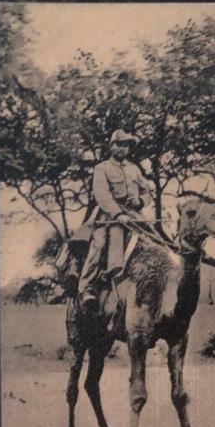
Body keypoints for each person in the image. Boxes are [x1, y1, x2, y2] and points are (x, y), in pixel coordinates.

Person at [78, 129, 151, 310]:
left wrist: (140, 201)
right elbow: (102, 195)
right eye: (119, 144)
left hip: (135, 217)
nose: (122, 149)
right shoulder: (102, 168)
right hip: (108, 217)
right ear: (111, 146)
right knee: (99, 245)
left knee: (156, 243)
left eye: (126, 145)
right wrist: (118, 214)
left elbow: (147, 192)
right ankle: (86, 288)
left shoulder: (134, 169)